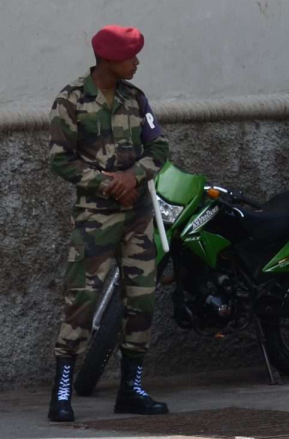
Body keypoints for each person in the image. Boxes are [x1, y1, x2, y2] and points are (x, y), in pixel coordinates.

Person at [48, 25, 170, 421]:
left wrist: (134, 177)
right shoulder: (71, 101)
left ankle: (131, 389)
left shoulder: (137, 99)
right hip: (95, 221)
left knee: (141, 303)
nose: (137, 62)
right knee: (80, 302)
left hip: (137, 218)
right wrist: (108, 183)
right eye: (130, 56)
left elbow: (160, 148)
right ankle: (62, 391)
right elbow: (60, 159)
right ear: (108, 60)